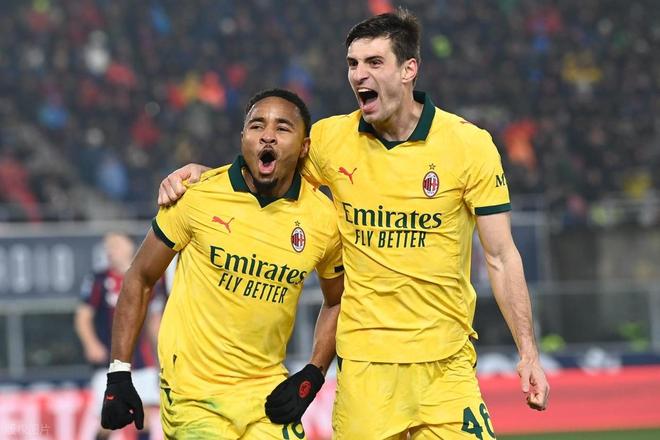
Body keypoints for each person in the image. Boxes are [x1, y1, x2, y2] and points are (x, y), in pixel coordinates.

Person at [158, 9, 550, 440]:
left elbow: (501, 256)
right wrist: (206, 173)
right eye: (352, 64)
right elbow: (264, 169)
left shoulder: (469, 146)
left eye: (374, 62)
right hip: (366, 369)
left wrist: (528, 352)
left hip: (446, 366)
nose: (359, 74)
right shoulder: (330, 140)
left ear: (409, 69)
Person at [101, 88, 344, 439]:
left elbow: (337, 300)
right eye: (257, 126)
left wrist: (313, 373)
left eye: (282, 128)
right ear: (243, 137)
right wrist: (119, 372)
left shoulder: (323, 219)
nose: (268, 135)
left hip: (267, 392)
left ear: (304, 147)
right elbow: (140, 277)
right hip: (194, 394)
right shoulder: (196, 196)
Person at [75, 232, 164, 440]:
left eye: (115, 245)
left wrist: (160, 354)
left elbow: (154, 321)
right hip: (110, 361)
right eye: (108, 246)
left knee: (143, 417)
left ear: (130, 247)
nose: (110, 250)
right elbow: (83, 317)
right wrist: (91, 344)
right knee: (107, 420)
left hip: (141, 361)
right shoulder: (98, 280)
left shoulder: (148, 278)